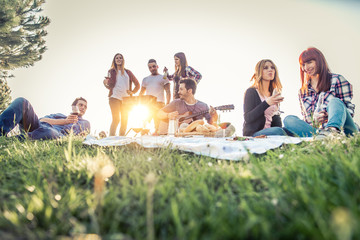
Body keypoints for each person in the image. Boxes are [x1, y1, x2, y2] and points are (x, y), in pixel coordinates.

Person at [283, 47, 358, 137]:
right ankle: (323, 137)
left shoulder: (337, 80)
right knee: (288, 120)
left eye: (309, 62)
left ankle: (332, 132)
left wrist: (330, 116)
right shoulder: (303, 92)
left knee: (335, 102)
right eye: (303, 65)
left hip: (344, 130)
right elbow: (307, 120)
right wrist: (315, 121)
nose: (306, 67)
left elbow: (349, 110)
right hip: (318, 131)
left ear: (319, 61)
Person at [0, 97, 90, 139]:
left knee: (50, 132)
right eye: (81, 105)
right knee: (21, 102)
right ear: (74, 106)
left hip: (56, 134)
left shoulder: (85, 123)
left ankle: (8, 141)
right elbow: (41, 120)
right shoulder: (59, 115)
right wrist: (65, 121)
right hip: (38, 126)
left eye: (85, 106)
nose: (83, 108)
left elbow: (84, 137)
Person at [243, 59, 288, 137]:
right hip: (255, 133)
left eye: (272, 67)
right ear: (259, 72)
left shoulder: (273, 94)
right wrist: (267, 103)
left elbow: (275, 118)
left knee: (291, 124)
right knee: (278, 131)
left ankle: (315, 135)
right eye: (265, 68)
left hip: (272, 131)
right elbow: (248, 118)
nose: (270, 70)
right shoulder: (251, 92)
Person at [103, 53, 140, 136]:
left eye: (120, 58)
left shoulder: (128, 72)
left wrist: (133, 92)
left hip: (126, 100)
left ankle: (121, 139)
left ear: (123, 60)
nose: (119, 59)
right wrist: (105, 84)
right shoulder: (111, 71)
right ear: (114, 60)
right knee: (116, 119)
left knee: (124, 120)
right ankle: (111, 139)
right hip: (114, 98)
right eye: (117, 58)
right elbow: (110, 86)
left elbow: (137, 85)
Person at [139, 59, 171, 133]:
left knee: (158, 126)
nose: (152, 68)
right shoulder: (145, 79)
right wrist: (140, 104)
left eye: (154, 66)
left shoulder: (163, 77)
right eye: (150, 67)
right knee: (144, 125)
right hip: (148, 105)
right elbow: (141, 93)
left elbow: (168, 91)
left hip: (159, 104)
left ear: (157, 66)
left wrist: (168, 104)